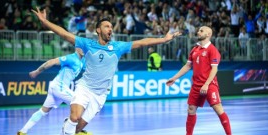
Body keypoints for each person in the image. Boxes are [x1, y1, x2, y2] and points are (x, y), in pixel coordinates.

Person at [31, 7, 182, 135]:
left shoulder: (117, 46)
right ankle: (69, 125)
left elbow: (142, 42)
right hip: (84, 88)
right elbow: (64, 34)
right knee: (75, 116)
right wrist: (45, 22)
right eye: (107, 26)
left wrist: (163, 39)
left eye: (111, 26)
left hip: (100, 95)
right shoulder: (87, 44)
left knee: (78, 128)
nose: (110, 29)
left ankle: (68, 127)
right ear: (98, 30)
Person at [166, 26, 232, 135]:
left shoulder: (212, 50)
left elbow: (214, 69)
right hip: (196, 85)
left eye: (201, 31)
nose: (198, 32)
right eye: (198, 30)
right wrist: (174, 78)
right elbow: (187, 66)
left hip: (209, 84)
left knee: (218, 108)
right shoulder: (194, 49)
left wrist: (206, 84)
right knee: (191, 109)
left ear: (208, 34)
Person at [17, 50, 90, 135]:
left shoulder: (82, 61)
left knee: (43, 111)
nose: (84, 49)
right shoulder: (71, 58)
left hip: (56, 87)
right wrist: (37, 71)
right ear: (77, 47)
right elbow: (51, 62)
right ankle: (72, 126)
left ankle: (22, 131)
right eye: (82, 47)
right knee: (80, 104)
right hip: (59, 87)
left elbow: (92, 67)